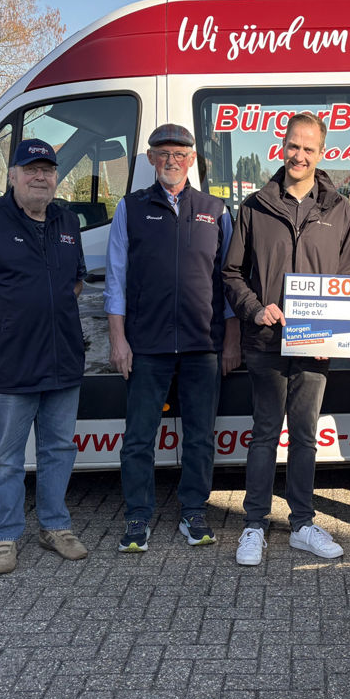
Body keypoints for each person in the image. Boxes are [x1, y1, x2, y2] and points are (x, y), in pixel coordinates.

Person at [0, 138, 89, 574]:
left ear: (56, 176)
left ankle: (54, 526)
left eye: (47, 169)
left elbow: (75, 280)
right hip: (11, 361)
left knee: (59, 448)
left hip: (63, 359)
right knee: (6, 455)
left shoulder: (67, 220)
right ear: (12, 177)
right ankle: (5, 535)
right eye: (31, 169)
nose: (40, 176)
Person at [222, 112, 350, 566]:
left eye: (309, 148)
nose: (299, 155)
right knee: (264, 434)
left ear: (322, 153)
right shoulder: (255, 206)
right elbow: (231, 273)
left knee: (304, 437)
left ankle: (302, 523)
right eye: (293, 145)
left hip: (314, 346)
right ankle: (254, 524)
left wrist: (336, 333)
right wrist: (255, 308)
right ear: (281, 146)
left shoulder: (340, 210)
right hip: (265, 341)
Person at [104, 123, 241, 553]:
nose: (171, 160)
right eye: (163, 153)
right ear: (150, 159)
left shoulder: (215, 210)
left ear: (192, 160)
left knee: (200, 435)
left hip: (204, 345)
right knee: (139, 437)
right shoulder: (130, 208)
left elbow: (231, 280)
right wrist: (118, 340)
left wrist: (232, 340)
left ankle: (194, 511)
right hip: (147, 345)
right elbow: (116, 278)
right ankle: (137, 517)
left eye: (180, 154)